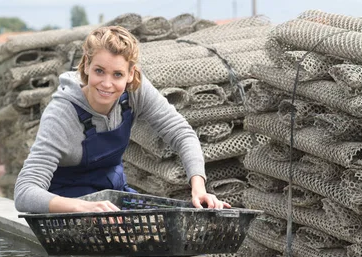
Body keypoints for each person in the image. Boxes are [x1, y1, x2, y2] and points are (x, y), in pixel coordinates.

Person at [14, 25, 230, 214]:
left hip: (115, 198)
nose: (107, 84)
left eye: (117, 74)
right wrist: (82, 207)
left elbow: (181, 133)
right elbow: (24, 192)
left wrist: (199, 187)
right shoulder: (61, 114)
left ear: (130, 74)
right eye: (99, 71)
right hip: (68, 207)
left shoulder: (135, 91)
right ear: (86, 65)